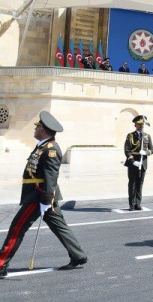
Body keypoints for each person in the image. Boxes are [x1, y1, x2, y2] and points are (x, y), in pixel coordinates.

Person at [0, 111, 87, 278]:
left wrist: (46, 200)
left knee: (17, 228)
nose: (35, 129)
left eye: (37, 127)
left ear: (43, 131)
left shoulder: (51, 149)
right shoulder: (42, 146)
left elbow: (50, 177)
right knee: (59, 227)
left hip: (38, 197)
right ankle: (78, 255)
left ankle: (1, 263)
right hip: (41, 195)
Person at [123, 115, 153, 211]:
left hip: (143, 162)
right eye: (139, 124)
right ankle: (132, 204)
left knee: (140, 183)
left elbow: (152, 149)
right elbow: (127, 150)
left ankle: (138, 203)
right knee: (132, 183)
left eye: (142, 124)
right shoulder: (131, 135)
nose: (141, 126)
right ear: (135, 125)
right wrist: (133, 161)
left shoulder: (147, 136)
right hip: (133, 163)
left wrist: (146, 152)